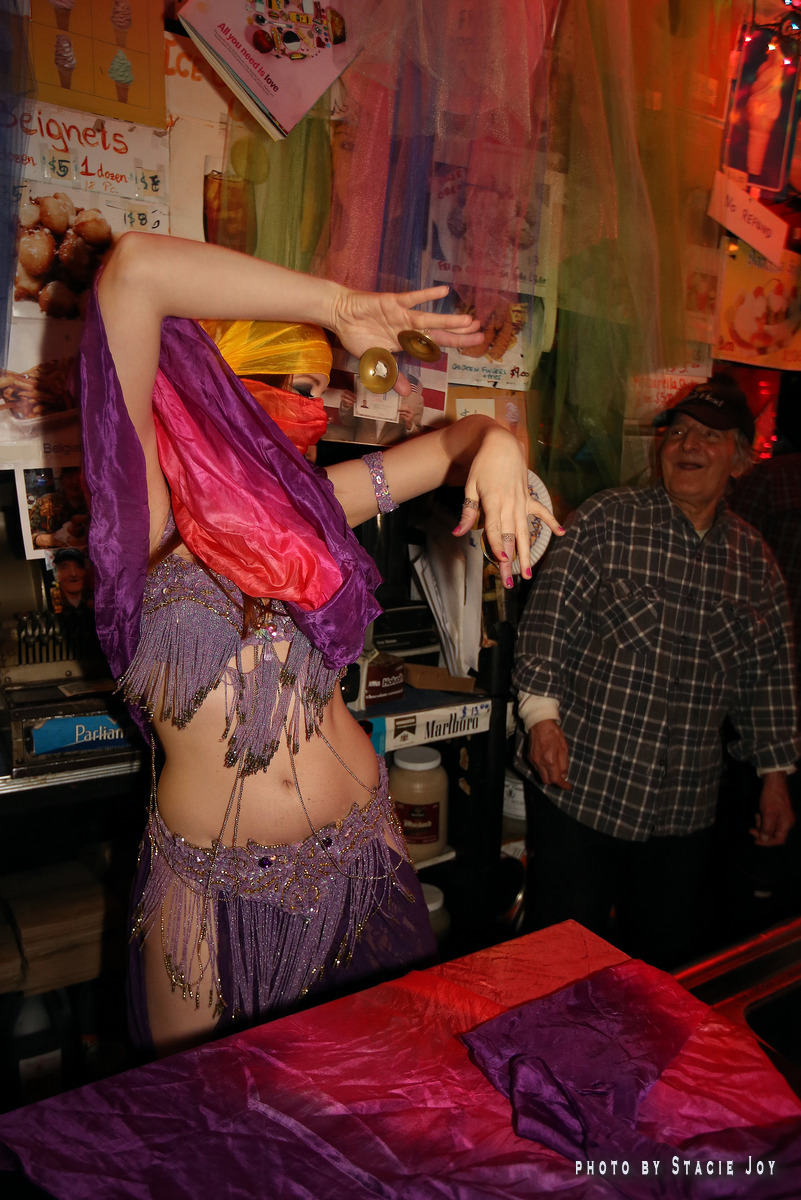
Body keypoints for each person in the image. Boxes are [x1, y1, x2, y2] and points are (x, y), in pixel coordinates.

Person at [79, 231, 561, 1057]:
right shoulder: (140, 531)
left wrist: (502, 447)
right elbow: (134, 271)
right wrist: (336, 306)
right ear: (216, 397)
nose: (308, 413)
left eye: (314, 391)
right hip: (215, 897)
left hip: (369, 854)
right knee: (214, 1143)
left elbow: (456, 447)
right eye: (287, 390)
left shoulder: (316, 509)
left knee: (389, 1110)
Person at [513, 375, 799, 969]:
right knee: (557, 959)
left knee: (660, 967)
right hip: (583, 789)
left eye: (710, 436)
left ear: (741, 459)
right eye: (679, 432)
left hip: (684, 809)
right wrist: (541, 719)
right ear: (660, 447)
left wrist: (776, 776)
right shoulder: (608, 521)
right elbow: (549, 622)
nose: (688, 445)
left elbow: (768, 676)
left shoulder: (754, 563)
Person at [50, 546, 93, 613]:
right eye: (64, 567)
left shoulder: (96, 603)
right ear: (56, 574)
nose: (73, 574)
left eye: (78, 566)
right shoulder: (54, 606)